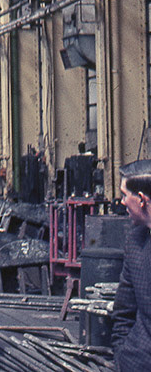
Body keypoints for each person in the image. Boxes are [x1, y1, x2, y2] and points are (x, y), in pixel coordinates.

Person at [111, 159, 151, 372]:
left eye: (125, 195)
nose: (122, 202)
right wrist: (122, 355)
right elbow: (123, 312)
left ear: (142, 199)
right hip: (136, 363)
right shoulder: (135, 242)